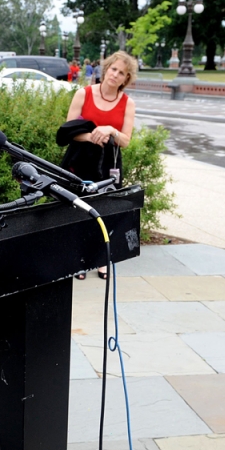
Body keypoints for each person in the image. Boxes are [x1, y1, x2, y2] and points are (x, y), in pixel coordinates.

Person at [61, 51, 137, 279]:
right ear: (106, 69)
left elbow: (125, 140)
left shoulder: (128, 103)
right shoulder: (83, 94)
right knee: (78, 209)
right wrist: (95, 135)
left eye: (122, 73)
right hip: (80, 159)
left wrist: (111, 130)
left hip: (109, 163)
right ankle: (79, 259)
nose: (115, 75)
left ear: (126, 79)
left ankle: (102, 258)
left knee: (105, 210)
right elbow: (68, 131)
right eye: (114, 69)